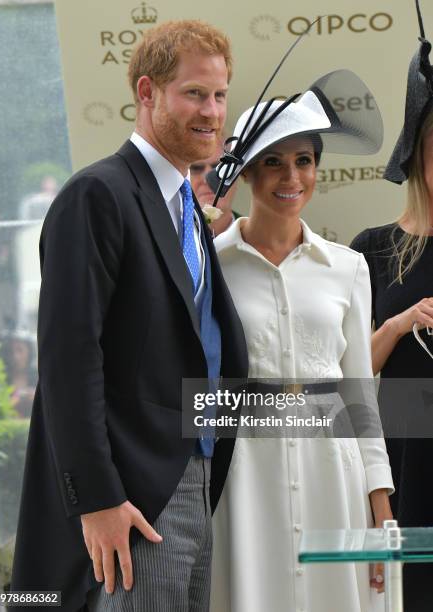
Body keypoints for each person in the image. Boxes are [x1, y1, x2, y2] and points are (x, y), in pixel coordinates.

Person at [11, 20, 247, 612]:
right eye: (194, 92)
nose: (212, 111)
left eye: (219, 95)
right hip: (132, 493)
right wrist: (97, 499)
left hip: (194, 474)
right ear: (147, 93)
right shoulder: (97, 195)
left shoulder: (186, 208)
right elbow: (69, 360)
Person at [209, 70, 394, 612]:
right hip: (243, 476)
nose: (291, 176)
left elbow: (360, 394)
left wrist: (379, 501)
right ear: (243, 173)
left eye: (304, 161)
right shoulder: (207, 266)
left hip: (332, 476)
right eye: (273, 161)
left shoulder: (349, 268)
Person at [351, 5, 433, 609]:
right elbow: (352, 371)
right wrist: (402, 323)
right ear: (415, 157)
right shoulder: (372, 251)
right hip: (407, 458)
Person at [190, 138, 240, 236]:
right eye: (196, 168)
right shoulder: (168, 235)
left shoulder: (261, 240)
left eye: (220, 168)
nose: (207, 180)